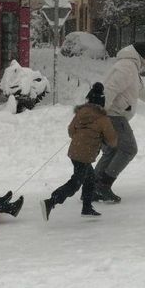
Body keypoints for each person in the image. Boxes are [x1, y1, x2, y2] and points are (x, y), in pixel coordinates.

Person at [93, 41, 145, 203]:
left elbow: (139, 90)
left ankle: (93, 186)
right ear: (141, 56)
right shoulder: (127, 67)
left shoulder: (131, 67)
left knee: (112, 151)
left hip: (114, 114)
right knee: (129, 149)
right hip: (114, 115)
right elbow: (110, 89)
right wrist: (100, 113)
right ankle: (103, 185)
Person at [41, 82, 118, 221]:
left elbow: (71, 130)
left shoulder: (80, 113)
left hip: (75, 151)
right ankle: (51, 201)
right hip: (85, 154)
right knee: (76, 183)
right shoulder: (103, 118)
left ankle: (87, 208)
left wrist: (81, 137)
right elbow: (112, 140)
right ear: (102, 101)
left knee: (90, 179)